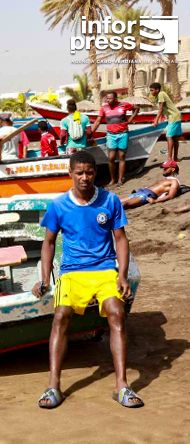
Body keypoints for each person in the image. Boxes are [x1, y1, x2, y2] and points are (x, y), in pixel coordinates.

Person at [32, 151, 142, 409]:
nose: (84, 177)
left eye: (89, 172)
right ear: (70, 174)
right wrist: (45, 279)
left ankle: (122, 386)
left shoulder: (110, 201)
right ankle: (53, 385)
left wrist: (122, 275)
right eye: (79, 173)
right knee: (61, 315)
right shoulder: (58, 205)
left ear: (95, 173)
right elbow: (48, 243)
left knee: (117, 312)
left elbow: (121, 239)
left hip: (104, 269)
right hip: (72, 271)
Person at [89, 91, 139, 186]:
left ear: (115, 98)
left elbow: (136, 108)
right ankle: (112, 179)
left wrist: (131, 119)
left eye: (110, 98)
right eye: (107, 98)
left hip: (123, 134)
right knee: (111, 158)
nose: (108, 100)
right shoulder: (104, 108)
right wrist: (91, 133)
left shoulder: (124, 105)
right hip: (111, 135)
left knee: (122, 157)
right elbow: (98, 121)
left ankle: (120, 179)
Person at [149, 82, 182, 165]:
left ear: (157, 89)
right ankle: (175, 158)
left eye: (152, 90)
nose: (151, 92)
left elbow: (160, 109)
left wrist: (156, 121)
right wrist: (160, 120)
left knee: (169, 136)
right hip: (176, 115)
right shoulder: (159, 96)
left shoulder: (161, 94)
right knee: (175, 138)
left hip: (173, 117)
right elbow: (163, 109)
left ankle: (169, 159)